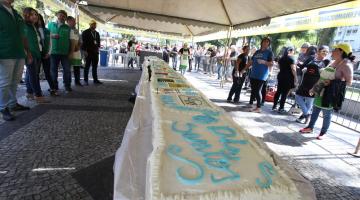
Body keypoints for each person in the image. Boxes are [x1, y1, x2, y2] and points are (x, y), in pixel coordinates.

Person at [300, 43, 354, 140]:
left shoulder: (346, 64)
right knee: (315, 109)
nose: (332, 51)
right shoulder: (333, 61)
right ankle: (310, 127)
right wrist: (314, 88)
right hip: (320, 90)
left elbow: (349, 82)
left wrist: (332, 82)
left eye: (335, 49)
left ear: (341, 51)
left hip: (330, 93)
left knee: (327, 114)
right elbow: (322, 78)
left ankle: (323, 132)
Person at [0, 0, 32, 121]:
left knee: (15, 81)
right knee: (4, 82)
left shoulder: (16, 13)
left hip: (19, 52)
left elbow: (23, 35)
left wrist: (28, 52)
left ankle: (12, 104)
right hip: (4, 53)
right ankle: (3, 107)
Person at [295, 46, 330, 124]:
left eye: (327, 52)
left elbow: (327, 72)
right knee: (297, 96)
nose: (325, 53)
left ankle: (304, 117)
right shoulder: (311, 59)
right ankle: (307, 114)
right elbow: (304, 66)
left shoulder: (327, 61)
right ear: (318, 51)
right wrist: (302, 66)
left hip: (316, 83)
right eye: (323, 51)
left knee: (309, 102)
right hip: (305, 82)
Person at [23, 7, 50, 103]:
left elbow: (38, 42)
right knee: (33, 75)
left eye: (36, 14)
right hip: (31, 54)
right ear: (26, 15)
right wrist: (28, 54)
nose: (35, 16)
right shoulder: (25, 26)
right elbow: (24, 41)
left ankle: (29, 92)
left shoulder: (34, 27)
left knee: (31, 74)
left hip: (37, 53)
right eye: (32, 14)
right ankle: (38, 95)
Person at [240, 37, 274, 113]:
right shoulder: (257, 52)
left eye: (267, 42)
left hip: (262, 75)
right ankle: (253, 105)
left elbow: (272, 63)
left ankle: (258, 107)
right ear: (261, 42)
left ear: (269, 44)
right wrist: (243, 69)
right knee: (254, 90)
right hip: (253, 74)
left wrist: (264, 62)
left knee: (258, 90)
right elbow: (250, 62)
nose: (265, 43)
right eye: (264, 41)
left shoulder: (269, 52)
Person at [48, 10, 72, 92]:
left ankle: (67, 85)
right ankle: (54, 86)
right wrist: (52, 35)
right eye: (60, 15)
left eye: (63, 16)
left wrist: (70, 52)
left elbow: (71, 40)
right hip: (53, 52)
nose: (61, 17)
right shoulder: (50, 25)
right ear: (57, 15)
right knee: (53, 70)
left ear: (65, 18)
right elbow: (46, 35)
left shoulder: (68, 28)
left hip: (65, 52)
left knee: (67, 70)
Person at [272, 47, 297, 113]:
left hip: (281, 76)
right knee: (284, 93)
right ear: (291, 51)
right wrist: (296, 78)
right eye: (293, 51)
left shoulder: (281, 58)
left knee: (278, 91)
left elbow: (279, 67)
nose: (294, 52)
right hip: (288, 78)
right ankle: (281, 108)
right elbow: (293, 69)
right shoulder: (291, 58)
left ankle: (274, 106)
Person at [37, 14, 57, 96]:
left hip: (46, 54)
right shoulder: (33, 29)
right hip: (37, 54)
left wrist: (49, 53)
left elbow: (50, 43)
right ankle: (37, 91)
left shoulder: (47, 30)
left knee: (47, 72)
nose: (37, 21)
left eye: (39, 19)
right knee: (36, 73)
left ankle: (53, 89)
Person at [82, 20, 102, 84]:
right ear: (90, 25)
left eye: (95, 24)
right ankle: (85, 80)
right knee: (87, 66)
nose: (94, 26)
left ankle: (95, 80)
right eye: (93, 24)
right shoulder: (85, 32)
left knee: (95, 67)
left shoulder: (97, 33)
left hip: (95, 52)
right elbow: (83, 42)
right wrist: (84, 51)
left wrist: (98, 48)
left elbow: (98, 42)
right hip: (88, 52)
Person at [67, 16, 82, 86]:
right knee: (68, 68)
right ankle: (68, 83)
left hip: (77, 52)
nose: (75, 23)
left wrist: (78, 46)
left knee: (77, 67)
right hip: (68, 51)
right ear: (68, 21)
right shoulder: (67, 30)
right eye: (73, 21)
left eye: (75, 21)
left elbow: (80, 40)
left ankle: (77, 81)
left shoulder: (76, 30)